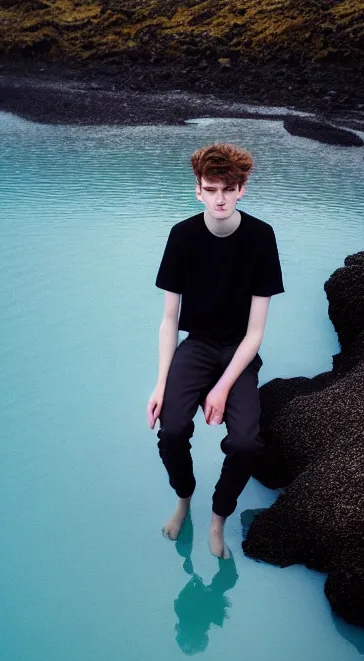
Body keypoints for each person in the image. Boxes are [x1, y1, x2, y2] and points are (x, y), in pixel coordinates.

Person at [147, 143, 284, 558]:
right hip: (199, 345)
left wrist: (222, 389)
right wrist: (160, 383)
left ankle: (218, 517)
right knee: (170, 430)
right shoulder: (182, 236)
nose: (219, 198)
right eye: (211, 189)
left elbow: (256, 333)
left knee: (245, 444)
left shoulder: (261, 237)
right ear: (198, 191)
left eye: (228, 188)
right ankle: (184, 497)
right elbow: (170, 320)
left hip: (239, 350)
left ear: (242, 189)